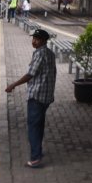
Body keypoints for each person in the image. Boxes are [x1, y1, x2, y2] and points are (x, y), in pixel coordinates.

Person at [5, 28, 56, 167]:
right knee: (39, 125)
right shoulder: (50, 53)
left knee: (33, 127)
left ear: (44, 41)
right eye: (33, 38)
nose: (34, 41)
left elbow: (30, 75)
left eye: (37, 39)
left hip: (37, 95)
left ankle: (35, 158)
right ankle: (38, 151)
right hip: (46, 96)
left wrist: (13, 85)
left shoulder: (40, 54)